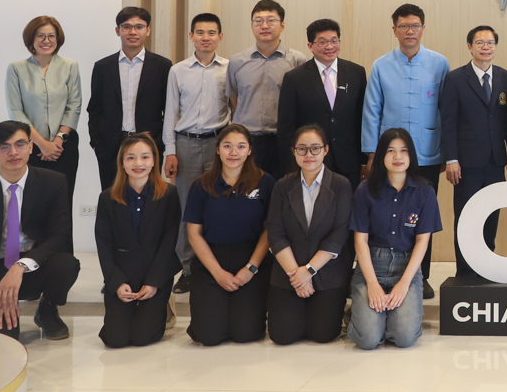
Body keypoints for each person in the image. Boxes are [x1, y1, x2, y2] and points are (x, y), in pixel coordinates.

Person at [0, 122, 79, 340]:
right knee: (1, 342)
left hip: (31, 265)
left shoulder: (53, 182)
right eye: (3, 146)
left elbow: (60, 236)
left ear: (30, 147)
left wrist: (20, 266)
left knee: (67, 264)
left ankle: (47, 309)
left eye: (20, 144)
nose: (13, 152)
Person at [362, 4, 449, 296]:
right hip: (390, 157)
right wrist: (371, 153)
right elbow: (372, 110)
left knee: (423, 217)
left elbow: (446, 110)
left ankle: (421, 277)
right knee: (390, 214)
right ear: (394, 30)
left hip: (427, 152)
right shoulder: (380, 65)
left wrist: (446, 153)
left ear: (423, 29)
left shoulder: (440, 63)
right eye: (404, 26)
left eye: (415, 25)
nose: (410, 31)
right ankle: (387, 272)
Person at [183, 124, 275, 346]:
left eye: (241, 146)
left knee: (246, 334)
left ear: (249, 150)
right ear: (218, 150)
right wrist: (218, 273)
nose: (234, 152)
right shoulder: (201, 185)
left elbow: (269, 229)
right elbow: (194, 234)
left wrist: (251, 268)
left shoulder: (264, 182)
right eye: (227, 146)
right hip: (212, 262)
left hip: (251, 261)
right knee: (208, 336)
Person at [349, 129, 440, 350]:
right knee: (368, 340)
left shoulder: (425, 191)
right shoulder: (365, 190)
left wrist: (404, 283)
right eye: (391, 151)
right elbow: (360, 241)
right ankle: (363, 317)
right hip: (372, 265)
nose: (397, 157)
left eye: (403, 151)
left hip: (406, 266)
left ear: (411, 155)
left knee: (405, 338)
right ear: (381, 155)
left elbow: (422, 242)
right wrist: (372, 284)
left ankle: (386, 317)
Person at [440, 25, 507, 273]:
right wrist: (451, 159)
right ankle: (465, 273)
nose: (486, 47)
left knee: (491, 215)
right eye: (480, 43)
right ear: (470, 47)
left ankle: (487, 269)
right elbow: (448, 122)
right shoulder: (455, 78)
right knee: (467, 218)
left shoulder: (504, 76)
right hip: (466, 163)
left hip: (496, 160)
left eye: (490, 43)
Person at [266, 125, 353, 345]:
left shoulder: (341, 185)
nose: (309, 154)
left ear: (326, 150)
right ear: (293, 151)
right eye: (302, 149)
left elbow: (339, 234)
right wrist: (297, 276)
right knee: (283, 336)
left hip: (327, 273)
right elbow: (275, 233)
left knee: (323, 335)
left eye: (315, 148)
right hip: (289, 273)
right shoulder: (282, 186)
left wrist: (309, 271)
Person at [162, 13, 229, 293]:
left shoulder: (229, 69)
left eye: (211, 33)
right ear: (191, 36)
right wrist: (170, 151)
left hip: (218, 145)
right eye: (200, 32)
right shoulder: (177, 71)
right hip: (186, 144)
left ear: (220, 37)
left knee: (219, 205)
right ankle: (188, 269)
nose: (205, 38)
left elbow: (235, 108)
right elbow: (170, 114)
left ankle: (216, 266)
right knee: (186, 206)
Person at [94, 133, 180, 348]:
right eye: (131, 158)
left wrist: (154, 282)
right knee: (115, 340)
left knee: (143, 337)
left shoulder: (169, 194)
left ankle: (162, 308)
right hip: (123, 273)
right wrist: (116, 282)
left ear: (154, 161)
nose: (138, 163)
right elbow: (104, 244)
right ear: (122, 163)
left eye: (145, 157)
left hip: (155, 273)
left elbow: (169, 241)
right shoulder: (107, 197)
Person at [87, 7, 171, 195]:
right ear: (118, 31)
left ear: (148, 30)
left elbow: (169, 109)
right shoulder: (103, 67)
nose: (133, 32)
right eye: (126, 27)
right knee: (112, 197)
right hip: (111, 146)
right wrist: (97, 143)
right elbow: (95, 109)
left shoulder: (162, 66)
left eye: (139, 27)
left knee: (149, 197)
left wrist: (160, 143)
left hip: (149, 144)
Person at [277, 18, 366, 184]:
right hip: (310, 160)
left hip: (349, 160)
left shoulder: (356, 73)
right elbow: (286, 128)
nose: (329, 46)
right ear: (310, 46)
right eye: (322, 42)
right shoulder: (295, 78)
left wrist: (364, 160)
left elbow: (362, 119)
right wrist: (291, 166)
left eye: (334, 41)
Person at [226, 0, 308, 178]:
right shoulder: (237, 61)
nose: (264, 26)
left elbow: (303, 102)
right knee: (247, 188)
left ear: (282, 25)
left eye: (271, 20)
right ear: (252, 26)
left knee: (282, 188)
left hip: (283, 140)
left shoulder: (297, 60)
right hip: (247, 140)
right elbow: (234, 98)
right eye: (258, 21)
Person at [5, 16, 83, 197]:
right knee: (32, 199)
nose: (46, 41)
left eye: (51, 36)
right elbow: (15, 111)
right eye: (40, 36)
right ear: (31, 38)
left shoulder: (70, 66)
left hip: (63, 147)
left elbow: (74, 105)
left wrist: (57, 141)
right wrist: (41, 144)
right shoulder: (16, 69)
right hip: (29, 146)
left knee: (63, 198)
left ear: (58, 38)